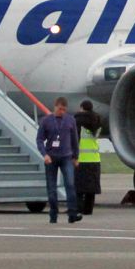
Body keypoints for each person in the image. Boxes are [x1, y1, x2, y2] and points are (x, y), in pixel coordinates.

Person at [36, 96, 80, 224]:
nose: (62, 112)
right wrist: (44, 154)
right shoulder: (46, 121)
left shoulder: (70, 120)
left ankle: (72, 213)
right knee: (52, 187)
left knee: (70, 185)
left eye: (64, 110)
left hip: (66, 156)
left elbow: (74, 140)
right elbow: (39, 139)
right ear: (55, 107)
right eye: (60, 109)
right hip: (52, 157)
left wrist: (76, 157)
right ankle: (53, 214)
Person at [74, 100, 103, 216]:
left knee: (79, 187)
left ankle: (78, 208)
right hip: (95, 158)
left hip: (81, 158)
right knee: (91, 188)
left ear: (81, 108)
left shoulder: (77, 122)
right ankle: (88, 210)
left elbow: (74, 140)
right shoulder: (98, 121)